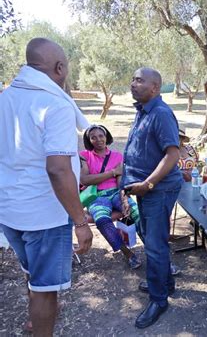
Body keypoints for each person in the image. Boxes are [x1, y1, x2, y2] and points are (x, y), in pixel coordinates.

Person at [0, 38, 93, 335]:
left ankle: (35, 319)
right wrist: (80, 220)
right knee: (45, 290)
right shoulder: (54, 104)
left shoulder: (5, 98)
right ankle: (41, 323)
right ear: (60, 68)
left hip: (10, 211)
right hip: (45, 215)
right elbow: (58, 169)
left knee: (32, 276)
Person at [122, 67, 183, 329]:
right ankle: (165, 282)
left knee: (155, 245)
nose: (133, 83)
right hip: (144, 189)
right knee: (151, 237)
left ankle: (160, 300)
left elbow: (173, 154)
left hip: (158, 189)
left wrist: (148, 183)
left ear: (155, 87)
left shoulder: (160, 113)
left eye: (139, 80)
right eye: (133, 79)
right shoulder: (143, 110)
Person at [80, 124, 141, 269]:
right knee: (102, 220)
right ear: (89, 140)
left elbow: (121, 182)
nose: (98, 140)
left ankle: (154, 251)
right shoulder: (84, 156)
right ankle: (128, 254)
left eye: (101, 136)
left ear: (106, 136)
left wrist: (124, 199)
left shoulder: (117, 156)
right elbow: (85, 180)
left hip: (116, 192)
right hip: (97, 196)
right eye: (93, 137)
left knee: (137, 214)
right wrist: (112, 172)